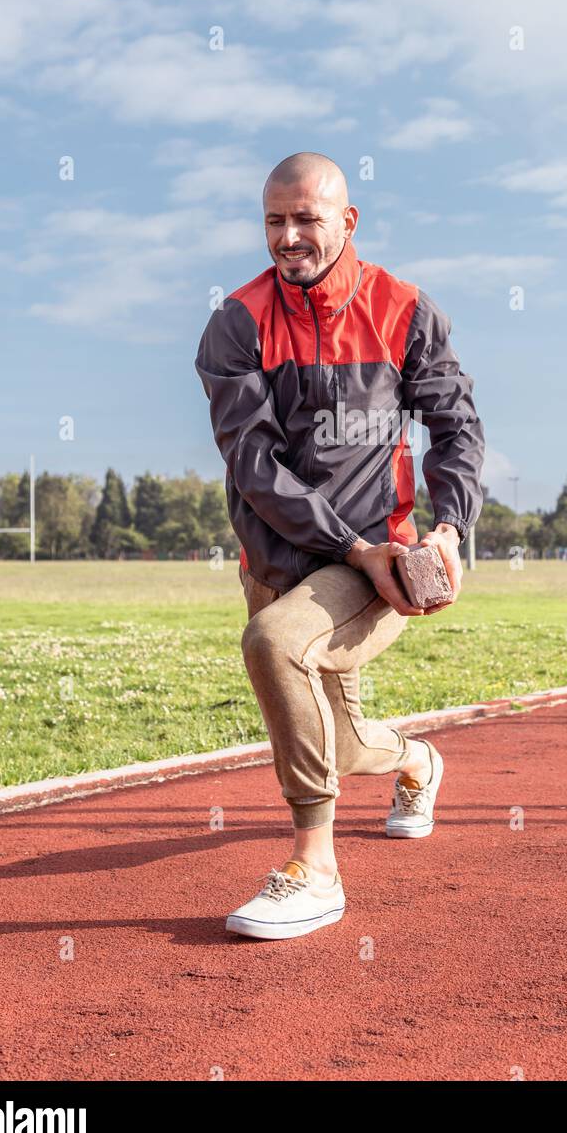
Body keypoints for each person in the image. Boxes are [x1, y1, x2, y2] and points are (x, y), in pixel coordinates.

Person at [194, 151, 485, 939]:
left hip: (378, 564)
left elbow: (456, 425)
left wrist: (450, 527)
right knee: (345, 740)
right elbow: (254, 466)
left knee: (274, 643)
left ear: (347, 221)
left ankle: (315, 867)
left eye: (306, 219)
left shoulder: (404, 308)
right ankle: (419, 762)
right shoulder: (235, 325)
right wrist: (346, 546)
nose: (288, 237)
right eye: (273, 222)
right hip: (282, 559)